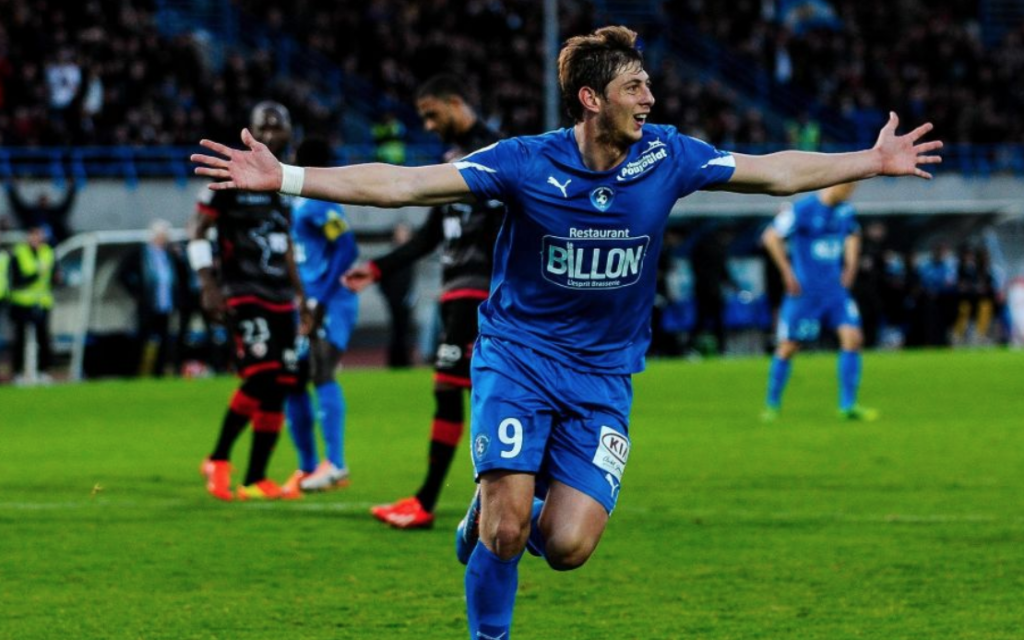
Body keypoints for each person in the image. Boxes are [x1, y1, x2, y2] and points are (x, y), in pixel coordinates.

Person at [192, 25, 941, 639]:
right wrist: (287, 176)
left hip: (604, 376)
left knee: (569, 547)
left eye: (648, 84)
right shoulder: (524, 161)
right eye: (633, 87)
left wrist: (872, 161)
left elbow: (772, 171)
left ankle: (485, 513)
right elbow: (403, 184)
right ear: (591, 99)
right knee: (511, 531)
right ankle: (491, 614)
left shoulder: (666, 156)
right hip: (518, 359)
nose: (651, 97)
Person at [344, 74, 504, 530]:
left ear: (456, 102)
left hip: (481, 294)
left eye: (432, 114)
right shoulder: (452, 160)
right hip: (457, 292)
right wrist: (377, 268)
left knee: (466, 393)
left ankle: (436, 502)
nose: (429, 126)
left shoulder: (497, 154)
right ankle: (471, 497)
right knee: (465, 393)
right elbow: (430, 235)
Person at [191, 101, 308, 501]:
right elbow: (197, 231)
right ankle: (219, 458)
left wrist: (303, 298)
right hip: (243, 290)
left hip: (280, 296)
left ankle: (256, 478)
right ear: (252, 132)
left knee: (280, 384)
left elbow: (286, 245)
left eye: (280, 127)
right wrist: (208, 284)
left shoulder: (285, 182)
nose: (273, 134)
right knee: (259, 375)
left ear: (290, 133)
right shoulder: (231, 174)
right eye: (265, 127)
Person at [280, 138, 360, 497]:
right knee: (294, 378)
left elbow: (347, 248)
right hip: (311, 301)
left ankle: (336, 463)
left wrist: (321, 299)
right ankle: (308, 467)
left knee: (321, 369)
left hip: (331, 302)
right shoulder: (302, 201)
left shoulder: (318, 201)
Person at [761, 183, 878, 422]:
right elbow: (771, 237)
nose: (849, 192)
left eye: (852, 188)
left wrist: (851, 266)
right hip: (806, 293)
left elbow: (853, 234)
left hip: (835, 292)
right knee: (789, 347)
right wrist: (786, 272)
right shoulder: (803, 209)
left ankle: (847, 405)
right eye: (846, 187)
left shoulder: (845, 211)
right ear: (833, 182)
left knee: (853, 338)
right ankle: (772, 404)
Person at [118, 219, 180, 377]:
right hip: (147, 304)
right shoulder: (140, 253)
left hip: (165, 303)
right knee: (141, 339)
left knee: (164, 340)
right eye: (161, 236)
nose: (164, 239)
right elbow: (122, 274)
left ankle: (158, 373)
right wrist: (136, 293)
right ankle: (134, 373)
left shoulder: (169, 254)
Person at [8, 222, 58, 384]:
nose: (37, 238)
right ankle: (18, 373)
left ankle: (43, 372)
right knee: (20, 339)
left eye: (40, 235)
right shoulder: (19, 253)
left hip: (42, 302)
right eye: (34, 235)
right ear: (28, 236)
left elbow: (53, 276)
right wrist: (37, 273)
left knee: (43, 339)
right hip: (22, 302)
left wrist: (58, 278)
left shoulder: (48, 253)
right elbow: (15, 280)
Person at [5, 178, 77, 244]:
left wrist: (71, 188)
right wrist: (11, 189)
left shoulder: (54, 213)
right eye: (41, 199)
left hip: (53, 244)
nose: (43, 202)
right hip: (34, 246)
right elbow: (17, 205)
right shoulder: (31, 214)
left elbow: (66, 205)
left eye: (45, 199)